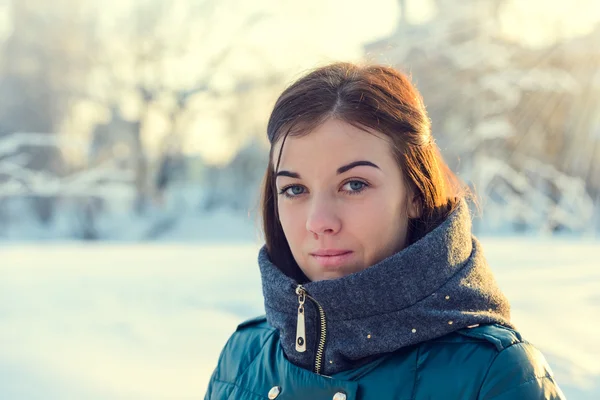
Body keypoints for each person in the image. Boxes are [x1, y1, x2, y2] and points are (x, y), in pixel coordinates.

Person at [204, 63, 565, 399]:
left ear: (415, 195)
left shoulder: (493, 374)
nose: (319, 222)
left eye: (355, 185)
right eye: (295, 190)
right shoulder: (242, 358)